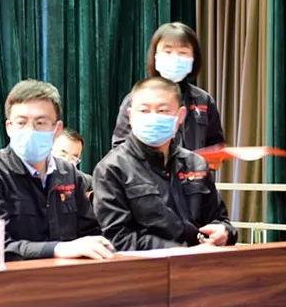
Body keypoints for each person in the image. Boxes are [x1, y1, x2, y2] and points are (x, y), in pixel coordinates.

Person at [0, 79, 114, 261]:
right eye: (21, 122)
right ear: (9, 127)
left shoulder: (68, 173)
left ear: (56, 129)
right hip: (12, 277)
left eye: (40, 123)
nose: (30, 131)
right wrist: (56, 249)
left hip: (68, 275)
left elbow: (90, 232)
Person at [94, 77, 237, 251]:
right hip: (149, 266)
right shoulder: (111, 168)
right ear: (130, 116)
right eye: (144, 110)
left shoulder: (195, 163)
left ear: (180, 116)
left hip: (202, 261)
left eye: (162, 111)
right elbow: (118, 238)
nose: (153, 117)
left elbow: (219, 219)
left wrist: (225, 232)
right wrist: (182, 251)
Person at [112, 22, 224, 153]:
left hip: (194, 166)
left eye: (182, 52)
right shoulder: (137, 99)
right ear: (155, 56)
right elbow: (120, 146)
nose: (175, 58)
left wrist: (199, 161)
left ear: (194, 58)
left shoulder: (203, 99)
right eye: (168, 51)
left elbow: (216, 146)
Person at [52, 128, 93, 193]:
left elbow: (94, 183)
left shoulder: (77, 179)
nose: (67, 161)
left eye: (73, 158)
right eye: (62, 155)